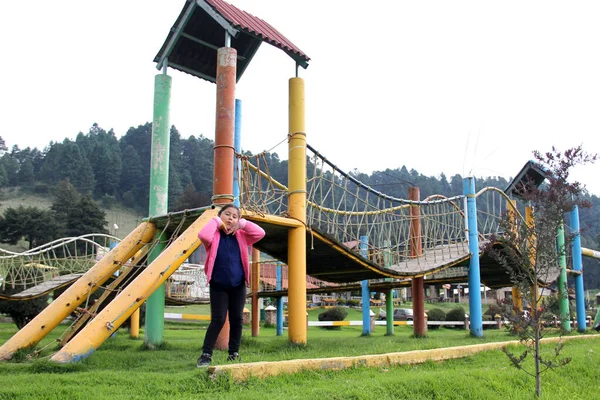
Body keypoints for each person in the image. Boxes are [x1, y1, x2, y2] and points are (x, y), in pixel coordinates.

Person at [196, 204, 265, 367]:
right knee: (218, 320)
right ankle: (206, 354)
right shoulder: (214, 236)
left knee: (237, 319)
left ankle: (233, 353)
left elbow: (260, 233)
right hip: (218, 284)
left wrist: (242, 224)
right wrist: (215, 221)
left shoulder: (242, 236)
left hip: (238, 284)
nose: (231, 218)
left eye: (235, 216)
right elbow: (203, 235)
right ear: (220, 216)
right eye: (227, 214)